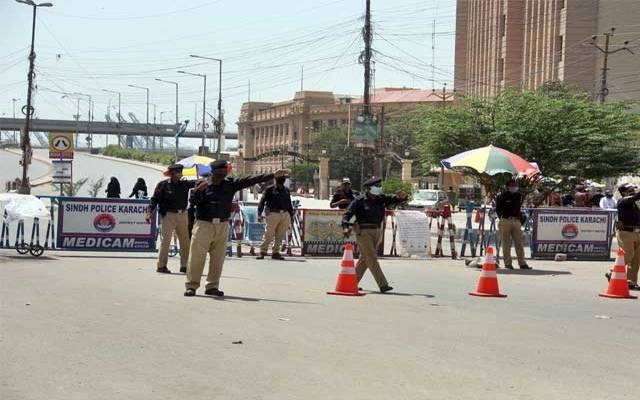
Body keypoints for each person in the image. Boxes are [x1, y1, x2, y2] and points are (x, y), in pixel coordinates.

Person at [184, 161, 288, 297]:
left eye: (224, 172)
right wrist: (198, 192)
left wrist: (272, 175)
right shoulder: (201, 184)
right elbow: (193, 204)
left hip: (222, 224)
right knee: (197, 257)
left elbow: (250, 180)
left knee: (218, 258)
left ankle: (212, 286)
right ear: (212, 173)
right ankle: (192, 286)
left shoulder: (230, 184)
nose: (222, 175)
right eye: (219, 173)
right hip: (204, 224)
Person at [342, 177, 408, 293]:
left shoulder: (380, 199)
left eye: (379, 186)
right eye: (376, 186)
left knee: (365, 259)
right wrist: (346, 227)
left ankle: (352, 282)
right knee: (371, 257)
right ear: (369, 188)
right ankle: (383, 284)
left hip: (377, 230)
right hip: (363, 231)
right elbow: (347, 214)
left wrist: (402, 196)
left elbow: (395, 200)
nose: (379, 188)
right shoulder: (359, 200)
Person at [146, 164, 196, 274]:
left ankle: (185, 266)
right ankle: (161, 265)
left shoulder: (184, 184)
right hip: (168, 215)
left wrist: (208, 178)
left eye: (181, 171)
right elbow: (154, 200)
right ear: (172, 173)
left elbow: (197, 183)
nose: (180, 174)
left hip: (182, 215)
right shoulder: (163, 185)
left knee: (185, 242)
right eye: (178, 172)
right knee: (166, 241)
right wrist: (149, 213)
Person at [608, 184, 640, 290]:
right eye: (630, 189)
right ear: (624, 192)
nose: (633, 191)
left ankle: (631, 281)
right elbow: (636, 197)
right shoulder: (623, 201)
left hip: (637, 232)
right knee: (628, 254)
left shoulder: (634, 204)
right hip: (626, 232)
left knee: (636, 259)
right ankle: (612, 272)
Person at [495, 179, 531, 270]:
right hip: (505, 220)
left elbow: (518, 208)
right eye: (512, 185)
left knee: (519, 243)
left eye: (515, 185)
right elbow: (498, 209)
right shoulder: (502, 196)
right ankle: (508, 263)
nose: (514, 187)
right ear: (508, 187)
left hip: (516, 221)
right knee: (506, 243)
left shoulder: (518, 196)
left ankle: (522, 263)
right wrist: (502, 219)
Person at [257, 174, 294, 260]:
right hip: (273, 213)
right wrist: (259, 214)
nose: (282, 180)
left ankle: (275, 252)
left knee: (280, 235)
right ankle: (263, 251)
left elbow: (289, 204)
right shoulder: (269, 189)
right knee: (269, 234)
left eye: (283, 178)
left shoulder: (286, 190)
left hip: (284, 214)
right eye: (280, 178)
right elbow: (262, 202)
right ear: (276, 179)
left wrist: (290, 216)